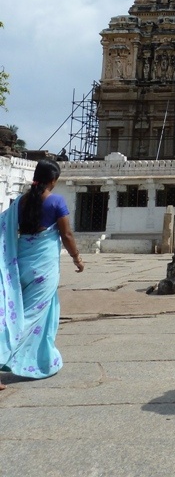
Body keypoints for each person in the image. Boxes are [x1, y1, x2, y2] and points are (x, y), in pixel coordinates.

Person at [0, 160, 84, 389]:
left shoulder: (20, 202)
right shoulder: (55, 201)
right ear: (53, 180)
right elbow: (66, 235)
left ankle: (38, 360)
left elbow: (6, 226)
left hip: (22, 263)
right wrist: (77, 258)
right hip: (43, 268)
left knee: (19, 313)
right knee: (27, 317)